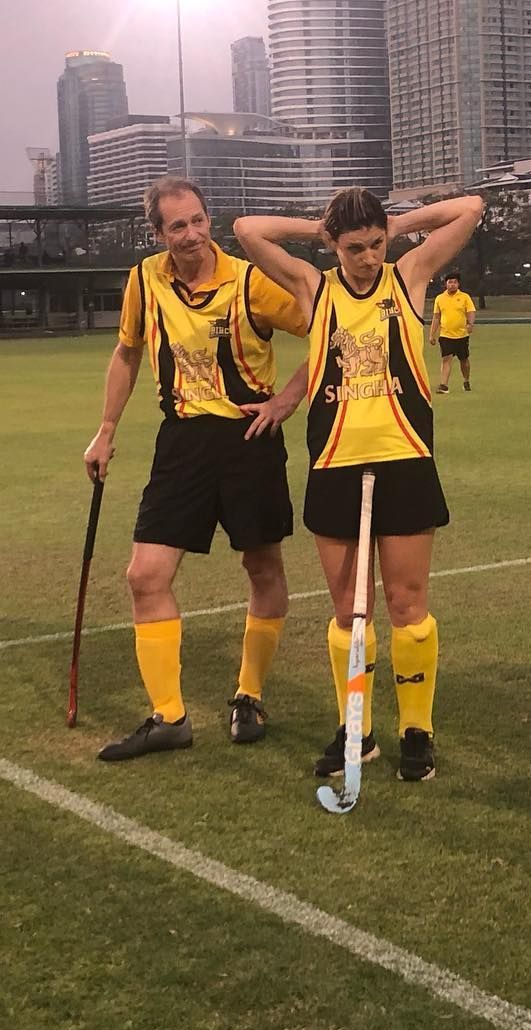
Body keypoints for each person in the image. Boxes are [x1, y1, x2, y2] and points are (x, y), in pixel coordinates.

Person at [234, 188, 485, 783]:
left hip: (405, 458)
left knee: (406, 602)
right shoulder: (312, 287)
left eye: (376, 244)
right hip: (336, 464)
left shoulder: (410, 274)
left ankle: (416, 730)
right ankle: (358, 728)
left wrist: (397, 224)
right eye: (355, 247)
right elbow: (247, 228)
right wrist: (319, 228)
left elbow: (470, 209)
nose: (369, 257)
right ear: (334, 245)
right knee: (350, 609)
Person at [84, 177, 307, 762]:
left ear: (211, 220)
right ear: (158, 233)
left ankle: (249, 695)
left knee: (262, 567)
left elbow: (331, 327)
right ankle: (169, 717)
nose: (192, 234)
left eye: (199, 220)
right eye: (177, 226)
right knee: (144, 575)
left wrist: (286, 400)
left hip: (248, 438)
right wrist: (106, 431)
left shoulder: (250, 281)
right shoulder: (144, 279)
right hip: (180, 440)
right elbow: (127, 352)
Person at [429, 271, 476, 393]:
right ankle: (444, 385)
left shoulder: (465, 297)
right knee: (446, 359)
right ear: (446, 284)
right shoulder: (439, 299)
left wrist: (470, 324)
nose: (452, 285)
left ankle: (466, 380)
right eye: (450, 282)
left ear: (458, 284)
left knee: (464, 360)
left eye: (455, 282)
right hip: (445, 335)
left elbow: (470, 312)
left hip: (461, 335)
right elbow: (436, 317)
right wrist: (432, 334)